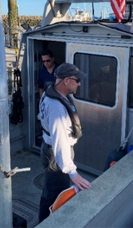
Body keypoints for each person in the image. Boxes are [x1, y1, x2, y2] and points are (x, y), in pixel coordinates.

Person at [37, 63, 92, 222]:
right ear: (66, 81)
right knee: (53, 194)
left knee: (53, 190)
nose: (79, 83)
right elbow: (60, 142)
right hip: (56, 156)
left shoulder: (51, 93)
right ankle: (45, 223)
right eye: (77, 80)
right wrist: (72, 172)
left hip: (52, 151)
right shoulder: (56, 108)